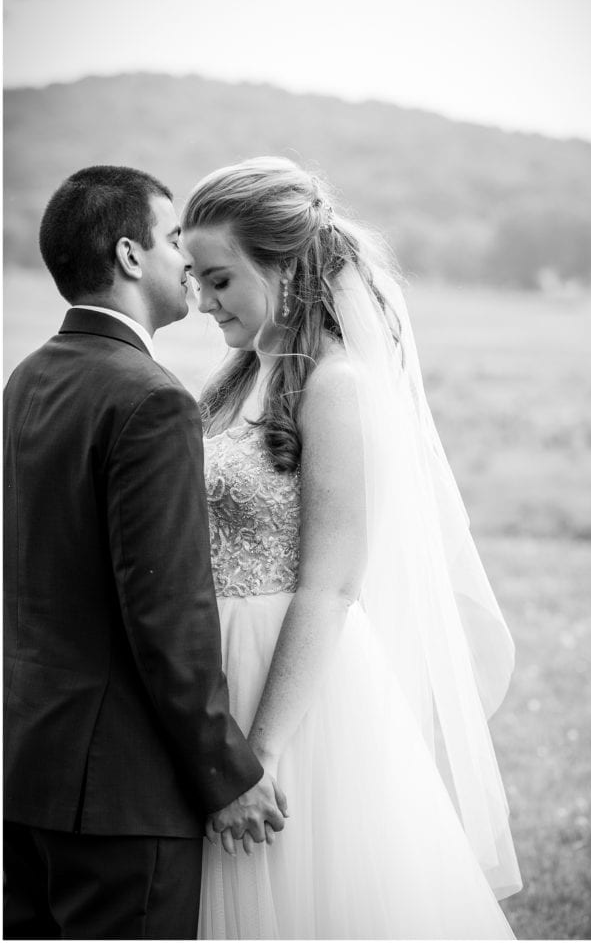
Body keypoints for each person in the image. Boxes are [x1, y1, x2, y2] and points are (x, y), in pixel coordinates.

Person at [181, 156, 523, 939]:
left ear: (286, 267)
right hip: (219, 668)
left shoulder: (336, 387)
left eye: (221, 279)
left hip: (292, 692)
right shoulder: (236, 378)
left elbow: (330, 586)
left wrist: (258, 756)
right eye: (195, 277)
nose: (202, 300)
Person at [3, 165, 287, 940]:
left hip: (26, 769)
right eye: (171, 242)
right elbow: (166, 613)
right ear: (130, 257)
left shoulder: (26, 380)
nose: (187, 264)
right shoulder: (152, 399)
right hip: (121, 795)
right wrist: (226, 776)